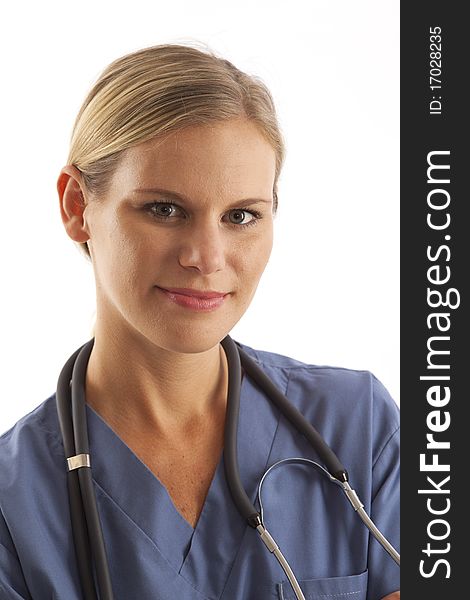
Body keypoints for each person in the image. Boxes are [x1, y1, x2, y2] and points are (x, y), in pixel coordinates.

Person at [0, 44, 399, 600]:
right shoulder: (12, 505)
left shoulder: (360, 430)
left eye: (241, 216)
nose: (207, 257)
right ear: (76, 206)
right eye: (165, 209)